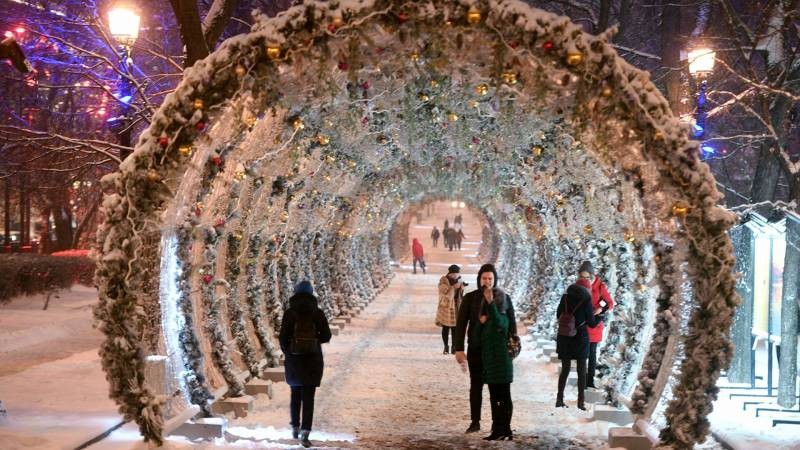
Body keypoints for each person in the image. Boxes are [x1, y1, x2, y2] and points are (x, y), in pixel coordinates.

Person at [454, 263, 517, 435]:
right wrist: (458, 348)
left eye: (490, 278)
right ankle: (475, 421)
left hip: (496, 351)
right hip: (476, 348)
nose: (487, 281)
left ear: (495, 279)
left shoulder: (503, 298)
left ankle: (497, 425)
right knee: (476, 385)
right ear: (479, 279)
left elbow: (511, 322)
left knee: (495, 388)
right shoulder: (470, 298)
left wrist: (512, 343)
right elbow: (461, 324)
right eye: (484, 278)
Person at [279, 281, 332, 448]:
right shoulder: (317, 313)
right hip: (312, 360)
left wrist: (289, 350)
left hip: (294, 360)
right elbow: (326, 336)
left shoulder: (290, 313)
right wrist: (314, 341)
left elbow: (283, 337)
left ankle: (295, 426)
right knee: (309, 397)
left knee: (295, 394)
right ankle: (305, 431)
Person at [555, 279, 600, 410]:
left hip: (564, 337)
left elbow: (558, 315)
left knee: (565, 370)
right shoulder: (586, 301)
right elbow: (592, 323)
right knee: (581, 371)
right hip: (580, 339)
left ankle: (559, 399)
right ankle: (580, 402)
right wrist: (599, 315)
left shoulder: (565, 298)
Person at [578, 261, 614, 389]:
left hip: (594, 325)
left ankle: (590, 381)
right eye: (582, 277)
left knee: (592, 354)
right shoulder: (578, 286)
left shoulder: (599, 286)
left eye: (587, 277)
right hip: (582, 324)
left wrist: (600, 308)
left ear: (592, 275)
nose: (585, 279)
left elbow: (609, 302)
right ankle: (581, 380)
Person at [436, 264, 465, 354]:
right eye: (455, 274)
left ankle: (454, 347)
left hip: (456, 307)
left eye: (457, 274)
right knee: (445, 328)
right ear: (450, 274)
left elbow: (460, 295)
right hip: (446, 307)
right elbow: (446, 294)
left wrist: (461, 289)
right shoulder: (443, 281)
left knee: (455, 328)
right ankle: (446, 346)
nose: (456, 276)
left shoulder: (459, 280)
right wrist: (453, 288)